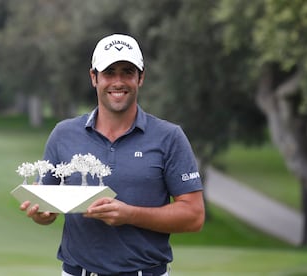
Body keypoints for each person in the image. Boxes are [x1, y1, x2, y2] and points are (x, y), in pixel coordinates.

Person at [20, 33, 205, 276]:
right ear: (94, 77)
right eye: (109, 72)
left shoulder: (169, 137)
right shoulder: (63, 134)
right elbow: (48, 211)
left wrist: (130, 215)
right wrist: (42, 215)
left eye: (127, 72)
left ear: (141, 78)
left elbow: (194, 216)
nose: (118, 82)